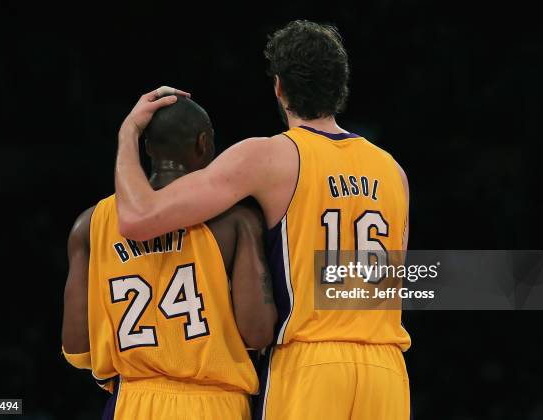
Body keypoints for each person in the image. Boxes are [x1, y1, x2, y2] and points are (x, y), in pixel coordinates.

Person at [115, 20, 411, 420]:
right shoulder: (392, 171)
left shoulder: (271, 156)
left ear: (278, 87)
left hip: (311, 365)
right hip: (387, 370)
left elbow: (138, 218)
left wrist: (129, 131)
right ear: (341, 86)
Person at [62, 94, 277, 420]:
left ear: (147, 149)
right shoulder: (234, 220)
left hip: (132, 402)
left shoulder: (89, 225)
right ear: (204, 145)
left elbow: (77, 348)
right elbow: (258, 333)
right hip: (214, 404)